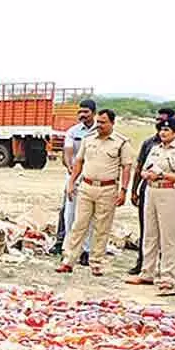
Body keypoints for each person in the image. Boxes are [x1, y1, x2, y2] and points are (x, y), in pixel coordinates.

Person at [56, 109, 134, 277]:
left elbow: (127, 167)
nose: (99, 125)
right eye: (98, 122)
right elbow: (79, 162)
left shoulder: (121, 143)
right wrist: (71, 182)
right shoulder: (88, 139)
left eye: (103, 122)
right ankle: (68, 261)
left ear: (112, 123)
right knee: (78, 225)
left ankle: (96, 263)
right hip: (86, 187)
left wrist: (124, 190)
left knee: (101, 228)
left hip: (107, 189)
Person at [126, 117, 175, 285]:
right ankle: (147, 272)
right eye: (161, 130)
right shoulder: (155, 148)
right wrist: (146, 175)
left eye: (167, 130)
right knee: (150, 233)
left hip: (170, 192)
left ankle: (167, 274)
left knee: (168, 235)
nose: (162, 133)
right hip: (151, 190)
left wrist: (163, 174)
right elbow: (143, 169)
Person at [52, 100, 97, 264]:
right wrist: (72, 171)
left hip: (93, 178)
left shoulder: (99, 131)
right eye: (80, 112)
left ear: (93, 112)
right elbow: (68, 152)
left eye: (86, 112)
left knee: (88, 216)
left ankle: (85, 250)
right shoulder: (73, 131)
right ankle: (68, 248)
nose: (82, 115)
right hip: (74, 177)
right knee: (69, 214)